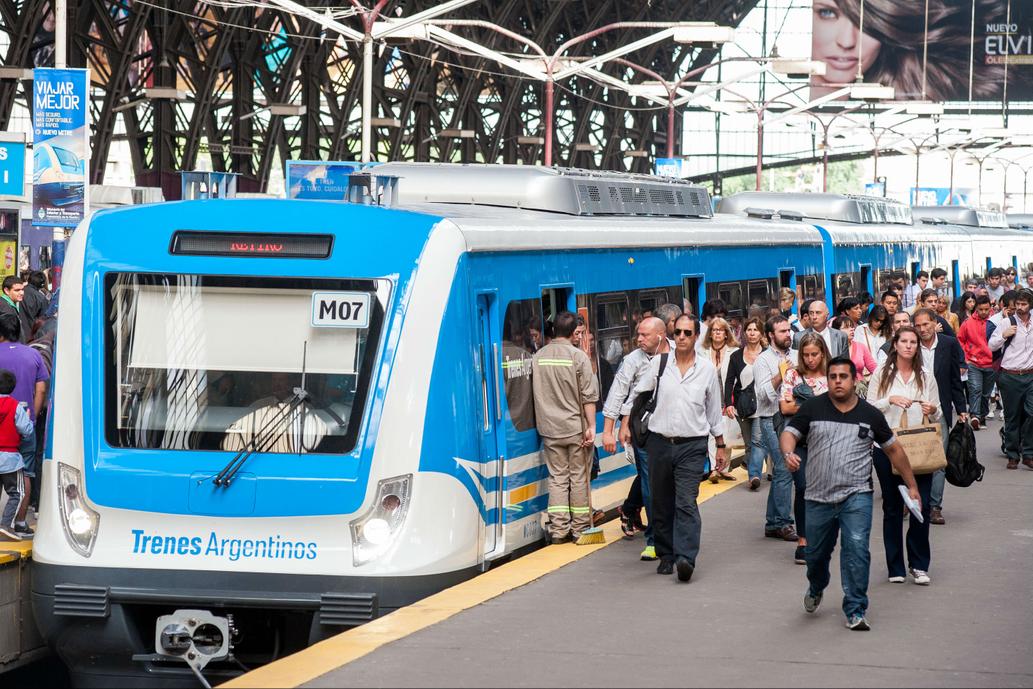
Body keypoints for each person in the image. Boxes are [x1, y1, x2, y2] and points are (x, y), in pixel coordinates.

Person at [781, 356, 920, 631]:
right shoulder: (812, 408)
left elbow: (894, 449)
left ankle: (856, 608)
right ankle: (816, 585)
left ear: (854, 380)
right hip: (817, 498)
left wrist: (912, 485)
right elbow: (790, 433)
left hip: (856, 495)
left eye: (843, 377)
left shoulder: (870, 415)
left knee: (856, 549)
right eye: (832, 377)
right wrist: (787, 453)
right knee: (816, 557)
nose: (837, 382)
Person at [623, 314, 728, 582]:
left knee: (685, 502)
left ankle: (686, 558)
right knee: (660, 502)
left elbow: (714, 412)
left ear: (695, 337)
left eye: (687, 333)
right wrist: (624, 423)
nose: (681, 337)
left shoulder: (705, 370)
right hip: (659, 443)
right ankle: (666, 555)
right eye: (678, 332)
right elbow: (637, 395)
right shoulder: (659, 365)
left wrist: (720, 445)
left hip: (691, 446)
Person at [809, 0, 1002, 101]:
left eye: (867, 23)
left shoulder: (907, 97)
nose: (846, 41)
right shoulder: (784, 104)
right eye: (827, 13)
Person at [866, 326, 940, 586]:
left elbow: (938, 412)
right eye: (904, 341)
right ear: (894, 345)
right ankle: (895, 566)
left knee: (921, 505)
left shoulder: (925, 376)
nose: (909, 346)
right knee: (893, 507)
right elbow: (869, 407)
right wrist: (890, 400)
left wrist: (932, 408)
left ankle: (919, 565)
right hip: (886, 448)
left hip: (920, 448)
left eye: (913, 342)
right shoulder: (881, 374)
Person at [603, 317, 671, 559]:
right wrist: (610, 429)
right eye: (638, 334)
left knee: (672, 485)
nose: (638, 339)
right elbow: (618, 392)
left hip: (674, 430)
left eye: (644, 335)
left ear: (661, 336)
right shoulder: (633, 360)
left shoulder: (678, 356)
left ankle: (671, 532)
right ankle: (654, 540)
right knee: (650, 485)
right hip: (644, 430)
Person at [531, 311, 599, 544]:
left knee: (558, 478)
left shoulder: (538, 357)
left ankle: (559, 529)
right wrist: (592, 426)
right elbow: (589, 397)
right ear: (573, 333)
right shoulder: (577, 357)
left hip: (549, 430)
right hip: (575, 428)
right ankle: (580, 528)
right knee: (579, 477)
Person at [913, 308, 968, 525]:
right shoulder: (909, 346)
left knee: (938, 460)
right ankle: (914, 500)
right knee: (913, 457)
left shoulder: (948, 344)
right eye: (917, 326)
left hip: (940, 410)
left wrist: (961, 408)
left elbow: (955, 379)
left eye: (925, 325)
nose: (922, 329)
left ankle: (934, 506)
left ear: (934, 323)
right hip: (913, 412)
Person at [780, 332, 831, 565]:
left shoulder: (832, 375)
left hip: (827, 442)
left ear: (822, 354)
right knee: (802, 486)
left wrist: (802, 405)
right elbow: (785, 407)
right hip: (799, 440)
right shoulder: (793, 374)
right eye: (806, 355)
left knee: (822, 490)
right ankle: (803, 539)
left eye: (814, 354)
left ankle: (820, 535)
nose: (810, 359)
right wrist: (817, 406)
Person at [0, 316, 48, 531]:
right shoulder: (33, 354)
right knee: (25, 473)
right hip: (24, 424)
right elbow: (41, 390)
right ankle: (19, 522)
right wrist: (32, 417)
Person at [754, 315, 800, 542]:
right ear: (771, 335)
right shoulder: (762, 360)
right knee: (784, 467)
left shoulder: (799, 355)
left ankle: (772, 522)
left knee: (784, 468)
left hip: (793, 416)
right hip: (770, 418)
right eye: (782, 332)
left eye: (788, 330)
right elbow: (762, 395)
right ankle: (783, 522)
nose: (787, 335)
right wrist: (779, 375)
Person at [989, 289, 1033, 470]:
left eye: (1024, 304)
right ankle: (1012, 454)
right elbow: (991, 345)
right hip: (1010, 376)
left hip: (1030, 375)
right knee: (1012, 416)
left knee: (1031, 414)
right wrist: (1003, 335)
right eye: (1018, 304)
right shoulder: (1007, 322)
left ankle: (1028, 454)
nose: (1020, 308)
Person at [724, 317, 767, 490]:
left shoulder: (767, 354)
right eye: (749, 329)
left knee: (757, 441)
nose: (752, 333)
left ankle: (754, 475)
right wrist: (728, 403)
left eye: (756, 329)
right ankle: (761, 470)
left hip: (763, 405)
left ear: (761, 333)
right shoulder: (736, 356)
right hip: (743, 406)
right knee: (749, 443)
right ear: (744, 332)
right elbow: (729, 381)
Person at [700, 317, 739, 482]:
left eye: (721, 330)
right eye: (714, 330)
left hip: (728, 397)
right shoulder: (702, 352)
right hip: (709, 399)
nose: (717, 333)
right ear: (709, 333)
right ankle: (714, 469)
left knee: (726, 433)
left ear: (726, 334)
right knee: (711, 434)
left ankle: (724, 468)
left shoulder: (734, 351)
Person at [0, 369, 34, 541]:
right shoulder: (15, 406)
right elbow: (26, 430)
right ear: (12, 388)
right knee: (17, 492)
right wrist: (27, 418)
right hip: (10, 459)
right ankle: (6, 525)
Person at [957, 295, 995, 430]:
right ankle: (975, 416)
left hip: (991, 363)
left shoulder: (995, 321)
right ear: (976, 309)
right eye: (981, 309)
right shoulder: (968, 323)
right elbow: (960, 340)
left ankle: (982, 416)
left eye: (986, 309)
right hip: (973, 362)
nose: (984, 312)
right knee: (975, 389)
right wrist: (965, 358)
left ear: (990, 308)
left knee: (986, 393)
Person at [833, 316, 877, 381]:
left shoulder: (861, 347)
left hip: (858, 388)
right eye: (846, 327)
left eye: (852, 327)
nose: (852, 329)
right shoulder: (831, 347)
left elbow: (874, 369)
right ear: (836, 331)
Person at [0, 277, 31, 344]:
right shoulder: (6, 309)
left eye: (22, 289)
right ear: (7, 291)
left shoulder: (6, 305)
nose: (22, 293)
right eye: (17, 290)